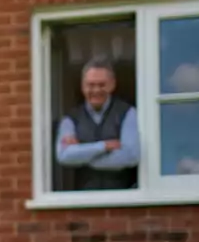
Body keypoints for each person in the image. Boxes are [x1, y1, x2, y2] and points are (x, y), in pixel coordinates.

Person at [55, 57, 140, 190]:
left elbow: (131, 156)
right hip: (84, 199)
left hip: (123, 197)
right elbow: (64, 156)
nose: (95, 90)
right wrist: (103, 146)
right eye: (90, 85)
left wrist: (82, 155)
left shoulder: (128, 112)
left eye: (101, 85)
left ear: (112, 84)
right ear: (83, 86)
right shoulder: (70, 118)